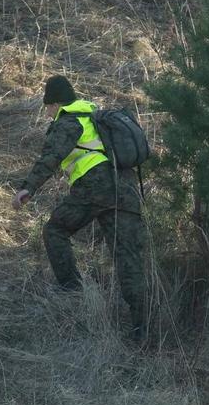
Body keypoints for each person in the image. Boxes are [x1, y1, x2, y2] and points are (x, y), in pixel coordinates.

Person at [12, 76, 148, 341]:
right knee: (127, 257)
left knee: (55, 230)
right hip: (126, 189)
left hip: (95, 187)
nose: (48, 113)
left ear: (53, 104)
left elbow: (51, 157)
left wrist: (28, 187)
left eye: (47, 107)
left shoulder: (67, 120)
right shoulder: (94, 116)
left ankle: (72, 292)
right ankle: (141, 328)